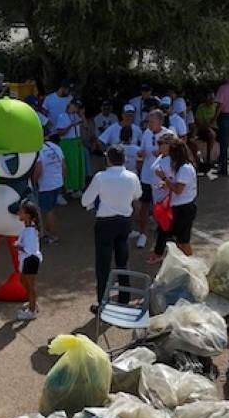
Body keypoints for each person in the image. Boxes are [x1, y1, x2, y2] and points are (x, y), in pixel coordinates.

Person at [82, 145, 142, 313]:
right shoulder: (132, 176)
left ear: (108, 159)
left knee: (103, 265)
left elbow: (85, 200)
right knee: (123, 261)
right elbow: (137, 195)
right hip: (124, 221)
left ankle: (103, 303)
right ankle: (124, 299)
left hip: (105, 223)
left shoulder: (101, 177)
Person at [151, 133, 199, 263]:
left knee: (183, 242)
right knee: (176, 240)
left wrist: (164, 178)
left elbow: (178, 190)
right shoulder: (179, 167)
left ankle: (192, 265)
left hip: (184, 209)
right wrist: (165, 184)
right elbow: (174, 186)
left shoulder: (185, 169)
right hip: (177, 208)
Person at [134, 110, 167, 250]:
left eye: (152, 121)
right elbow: (142, 150)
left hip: (161, 178)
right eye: (148, 121)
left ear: (160, 122)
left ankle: (163, 236)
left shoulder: (168, 135)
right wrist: (141, 153)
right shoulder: (146, 133)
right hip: (147, 176)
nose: (149, 124)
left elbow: (176, 153)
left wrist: (162, 152)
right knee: (144, 206)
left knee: (161, 207)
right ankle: (143, 234)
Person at [33, 132, 66, 243]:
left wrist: (33, 182)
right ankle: (45, 231)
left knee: (47, 210)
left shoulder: (37, 151)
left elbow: (38, 169)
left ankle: (52, 235)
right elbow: (63, 166)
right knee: (50, 208)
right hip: (57, 182)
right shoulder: (55, 146)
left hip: (46, 185)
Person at [51, 94, 86, 195]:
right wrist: (71, 125)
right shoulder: (62, 116)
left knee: (78, 165)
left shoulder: (76, 116)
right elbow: (60, 132)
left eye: (77, 107)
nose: (76, 108)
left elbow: (85, 126)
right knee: (69, 165)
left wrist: (82, 115)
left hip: (76, 142)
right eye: (74, 106)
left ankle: (78, 186)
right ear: (70, 105)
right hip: (67, 143)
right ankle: (68, 187)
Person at [14, 200, 43, 321]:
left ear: (28, 215)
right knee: (22, 279)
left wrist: (18, 246)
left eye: (21, 211)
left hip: (30, 260)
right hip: (27, 260)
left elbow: (30, 249)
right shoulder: (27, 228)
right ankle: (32, 302)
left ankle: (32, 310)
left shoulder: (30, 231)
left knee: (30, 286)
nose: (18, 213)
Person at [190, 90, 218, 172]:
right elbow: (198, 121)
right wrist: (206, 126)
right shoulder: (201, 107)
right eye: (209, 98)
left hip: (214, 128)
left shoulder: (216, 107)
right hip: (204, 128)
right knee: (211, 135)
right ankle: (208, 159)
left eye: (213, 98)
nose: (211, 100)